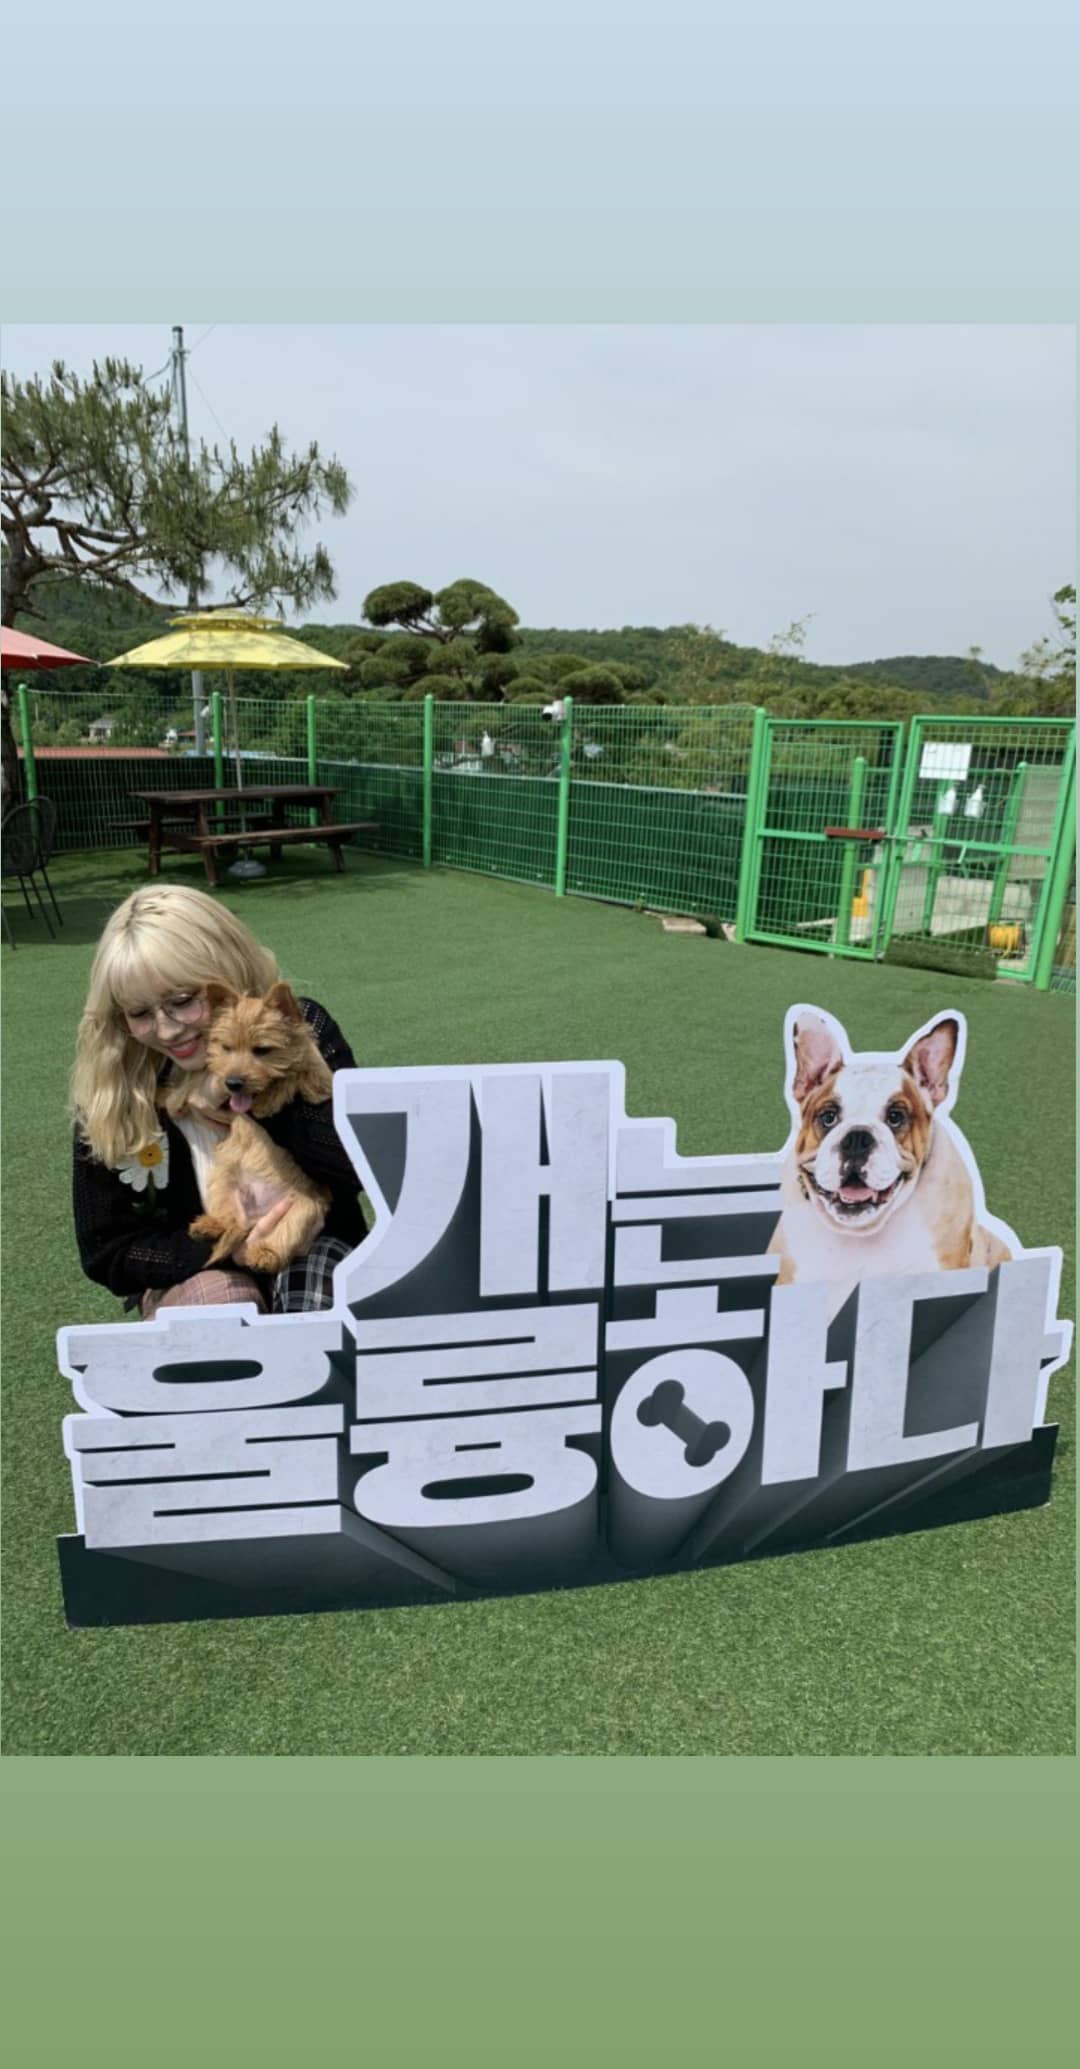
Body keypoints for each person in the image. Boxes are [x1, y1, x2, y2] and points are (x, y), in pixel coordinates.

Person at [71, 884, 366, 1317]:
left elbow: (358, 1164)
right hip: (195, 1271)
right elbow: (107, 1252)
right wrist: (229, 1251)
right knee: (222, 1301)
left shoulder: (297, 1027)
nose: (167, 1030)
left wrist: (248, 1097)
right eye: (139, 1013)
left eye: (183, 1001)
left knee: (313, 1299)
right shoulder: (116, 1087)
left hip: (313, 1245)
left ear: (226, 973)